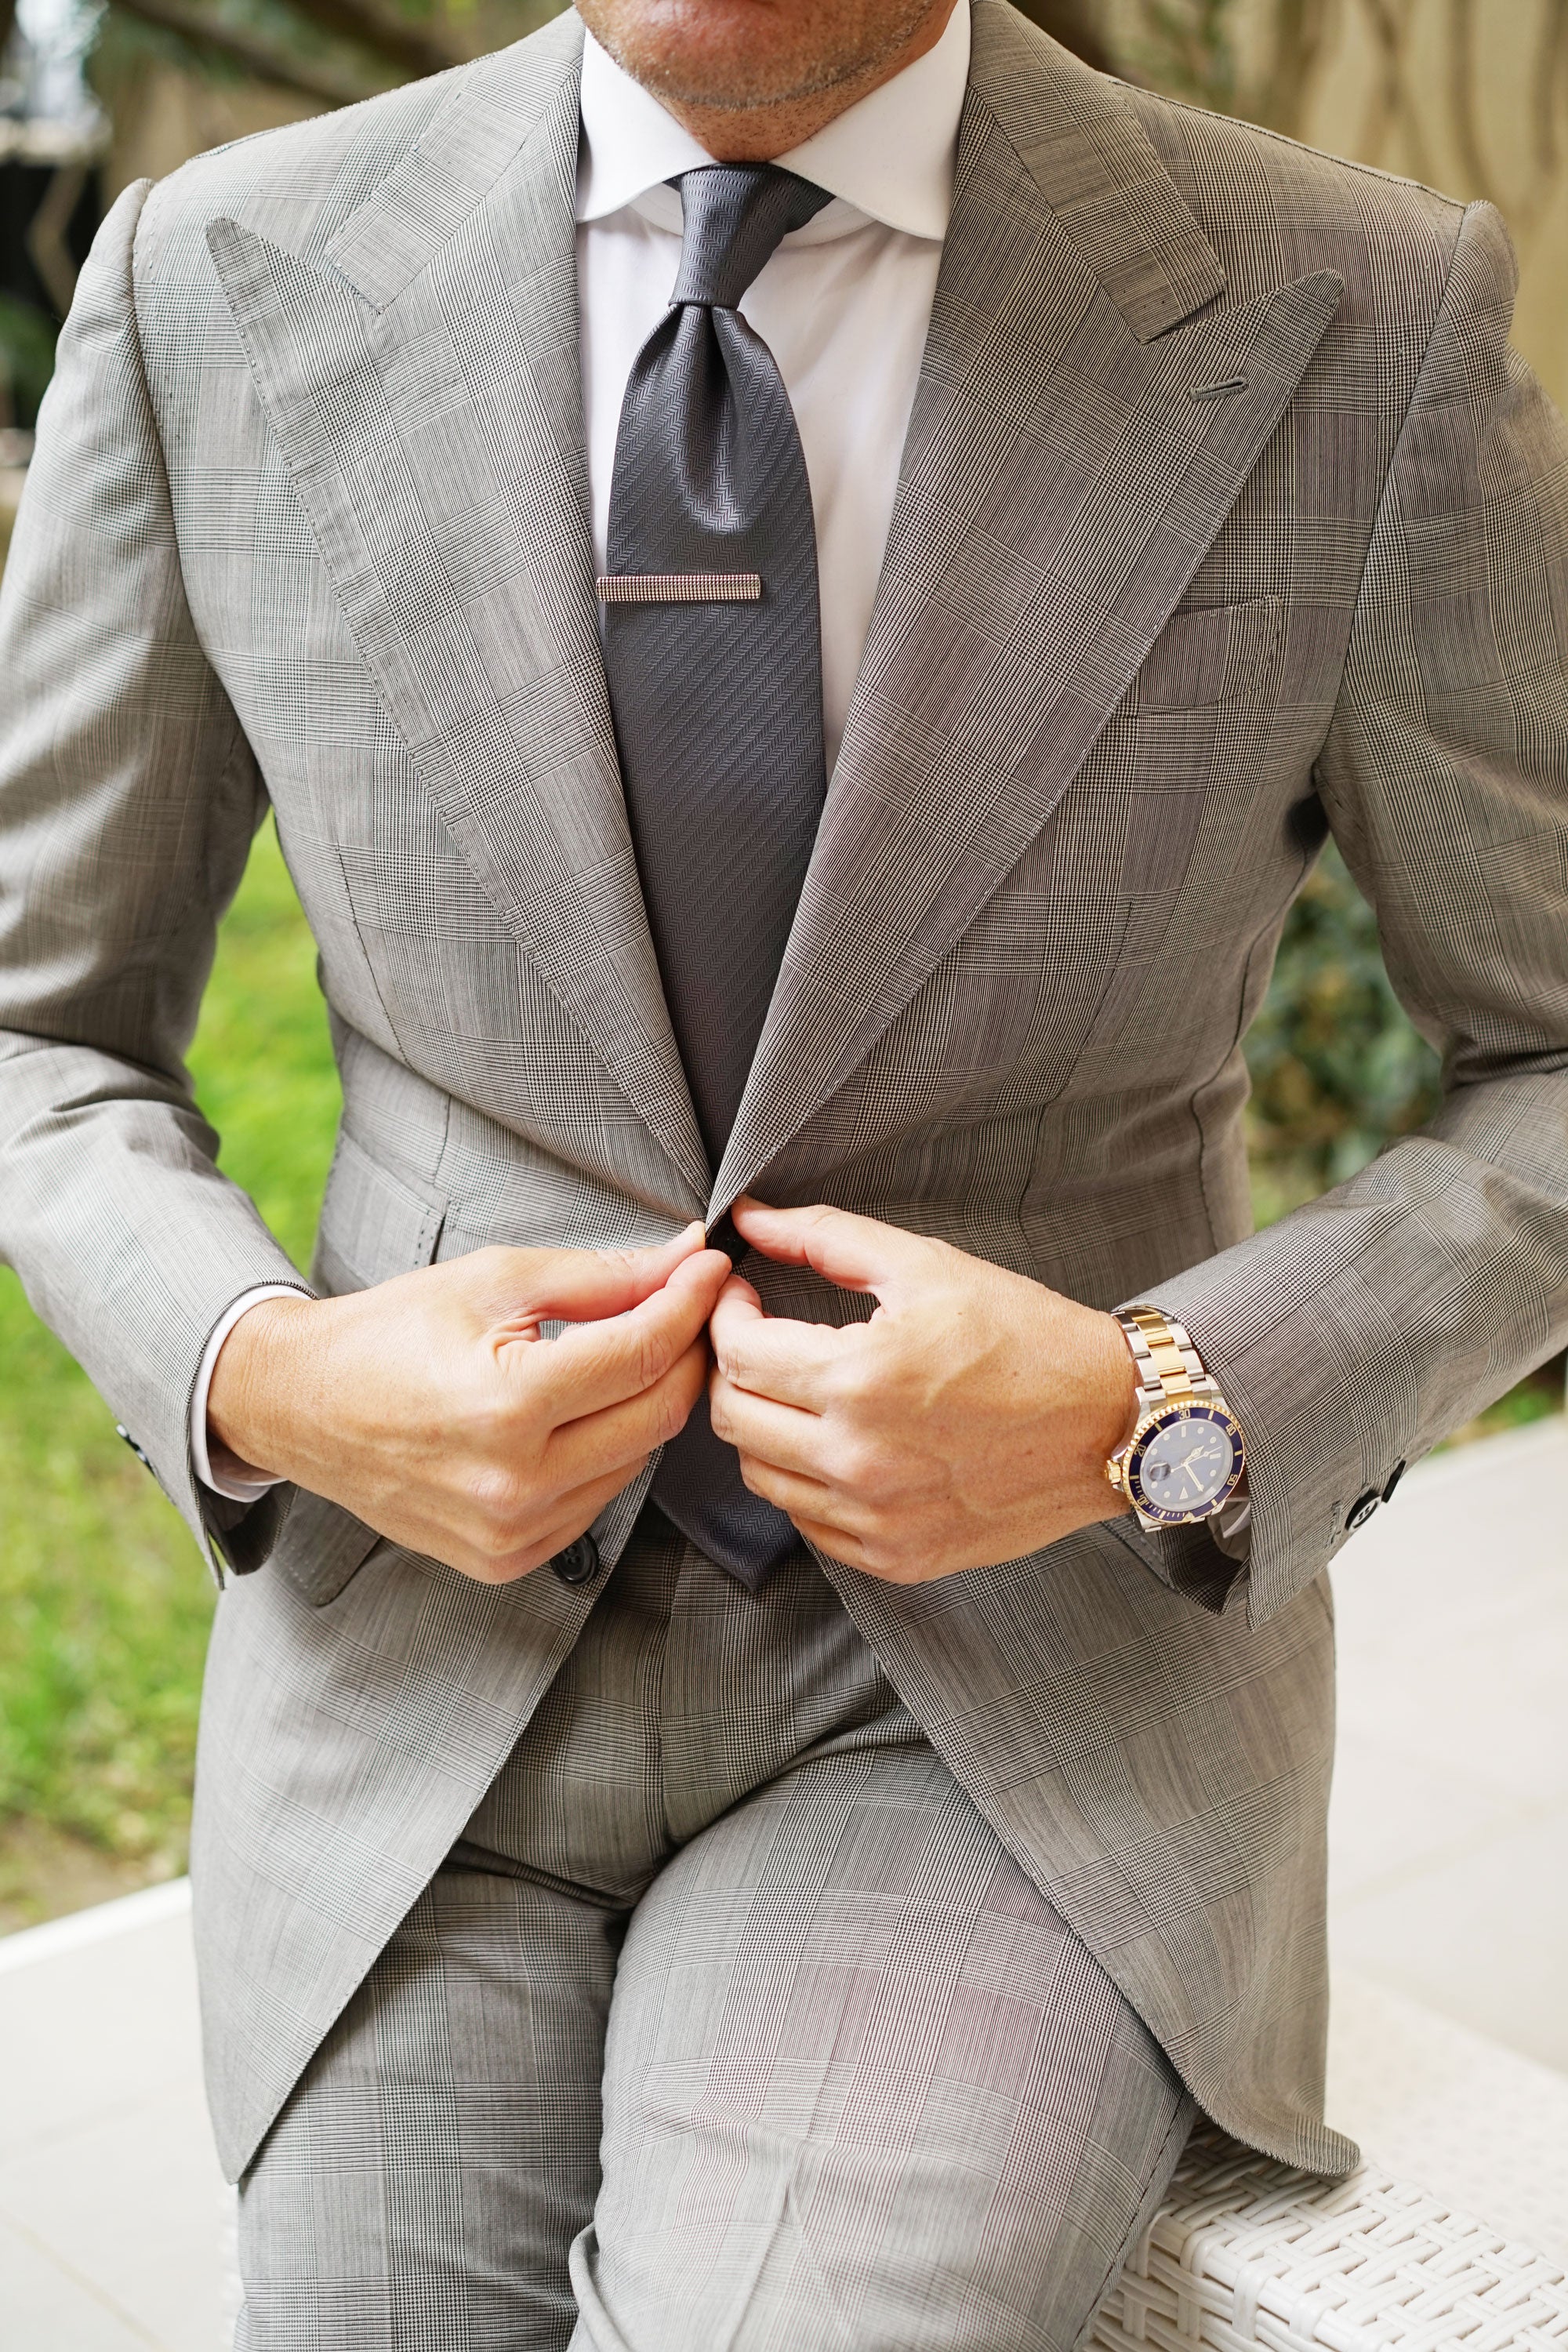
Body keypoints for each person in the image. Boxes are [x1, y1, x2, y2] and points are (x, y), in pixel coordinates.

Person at [2, 0, 1565, 2338]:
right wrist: (273, 1376)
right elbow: (40, 1028)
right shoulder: (207, 278)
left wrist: (1156, 1394)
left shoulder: (1354, 314)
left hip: (1005, 1698)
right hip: (422, 1661)